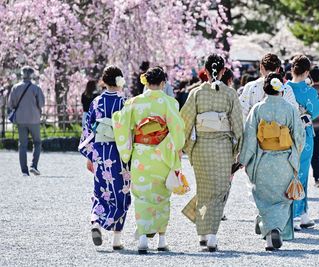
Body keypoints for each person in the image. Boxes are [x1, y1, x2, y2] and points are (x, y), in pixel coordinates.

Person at [112, 66, 185, 254]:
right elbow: (177, 130)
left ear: (146, 82)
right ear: (163, 83)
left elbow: (121, 125)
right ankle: (161, 240)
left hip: (141, 155)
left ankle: (143, 239)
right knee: (162, 195)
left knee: (142, 196)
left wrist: (117, 119)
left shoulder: (133, 102)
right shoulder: (170, 103)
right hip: (162, 155)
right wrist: (176, 149)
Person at [180, 54, 243, 252]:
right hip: (222, 148)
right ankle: (212, 236)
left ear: (205, 71)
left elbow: (185, 122)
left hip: (201, 148)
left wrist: (186, 148)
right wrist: (237, 151)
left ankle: (202, 234)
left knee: (205, 189)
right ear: (223, 71)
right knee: (219, 191)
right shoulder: (230, 94)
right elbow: (238, 125)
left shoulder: (196, 93)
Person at [240, 72, 305, 251]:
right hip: (284, 161)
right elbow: (299, 137)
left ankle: (270, 235)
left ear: (265, 88)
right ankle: (275, 230)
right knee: (283, 199)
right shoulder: (290, 109)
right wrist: (294, 156)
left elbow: (250, 139)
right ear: (281, 89)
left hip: (263, 161)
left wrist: (243, 160)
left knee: (263, 199)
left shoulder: (258, 109)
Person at [79, 65, 131, 250]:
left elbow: (88, 130)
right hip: (119, 153)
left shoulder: (96, 102)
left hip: (100, 152)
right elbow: (130, 130)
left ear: (104, 81)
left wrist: (90, 156)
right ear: (120, 81)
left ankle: (96, 222)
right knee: (121, 193)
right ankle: (117, 239)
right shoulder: (125, 103)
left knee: (100, 191)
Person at [286, 55, 319, 231]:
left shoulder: (283, 88)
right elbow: (317, 109)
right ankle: (300, 215)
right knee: (302, 174)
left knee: (286, 174)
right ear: (307, 72)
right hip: (305, 137)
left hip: (285, 136)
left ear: (292, 69)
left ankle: (295, 215)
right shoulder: (310, 92)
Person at [8, 66, 45, 176]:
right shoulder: (36, 88)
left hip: (21, 119)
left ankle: (24, 171)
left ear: (22, 74)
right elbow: (41, 104)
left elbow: (11, 104)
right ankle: (33, 165)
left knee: (22, 145)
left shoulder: (15, 88)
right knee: (37, 142)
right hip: (34, 119)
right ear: (32, 75)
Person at [239, 53, 281, 121]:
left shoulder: (250, 87)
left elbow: (242, 110)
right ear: (278, 69)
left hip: (256, 128)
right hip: (280, 129)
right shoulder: (285, 88)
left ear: (261, 67)